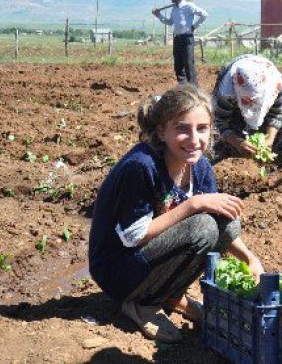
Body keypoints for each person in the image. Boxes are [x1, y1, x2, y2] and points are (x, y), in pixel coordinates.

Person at [88, 84, 264, 343]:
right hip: (117, 270)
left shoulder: (200, 166)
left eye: (202, 129)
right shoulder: (141, 167)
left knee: (227, 225)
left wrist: (250, 259)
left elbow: (220, 223)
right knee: (202, 226)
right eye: (182, 128)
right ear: (161, 131)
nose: (194, 140)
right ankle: (140, 304)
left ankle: (168, 294)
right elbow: (132, 237)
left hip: (148, 259)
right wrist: (193, 205)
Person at [212, 54, 282, 182]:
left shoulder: (275, 85)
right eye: (247, 100)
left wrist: (269, 139)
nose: (251, 104)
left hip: (265, 101)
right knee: (221, 140)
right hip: (233, 109)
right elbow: (220, 122)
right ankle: (213, 171)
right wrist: (238, 142)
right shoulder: (226, 92)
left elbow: (276, 114)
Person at [152, 0, 208, 85]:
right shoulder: (174, 8)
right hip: (177, 39)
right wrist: (159, 15)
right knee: (178, 65)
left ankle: (193, 88)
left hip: (187, 39)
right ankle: (182, 87)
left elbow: (205, 15)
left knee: (188, 64)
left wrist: (194, 26)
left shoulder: (189, 6)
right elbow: (170, 22)